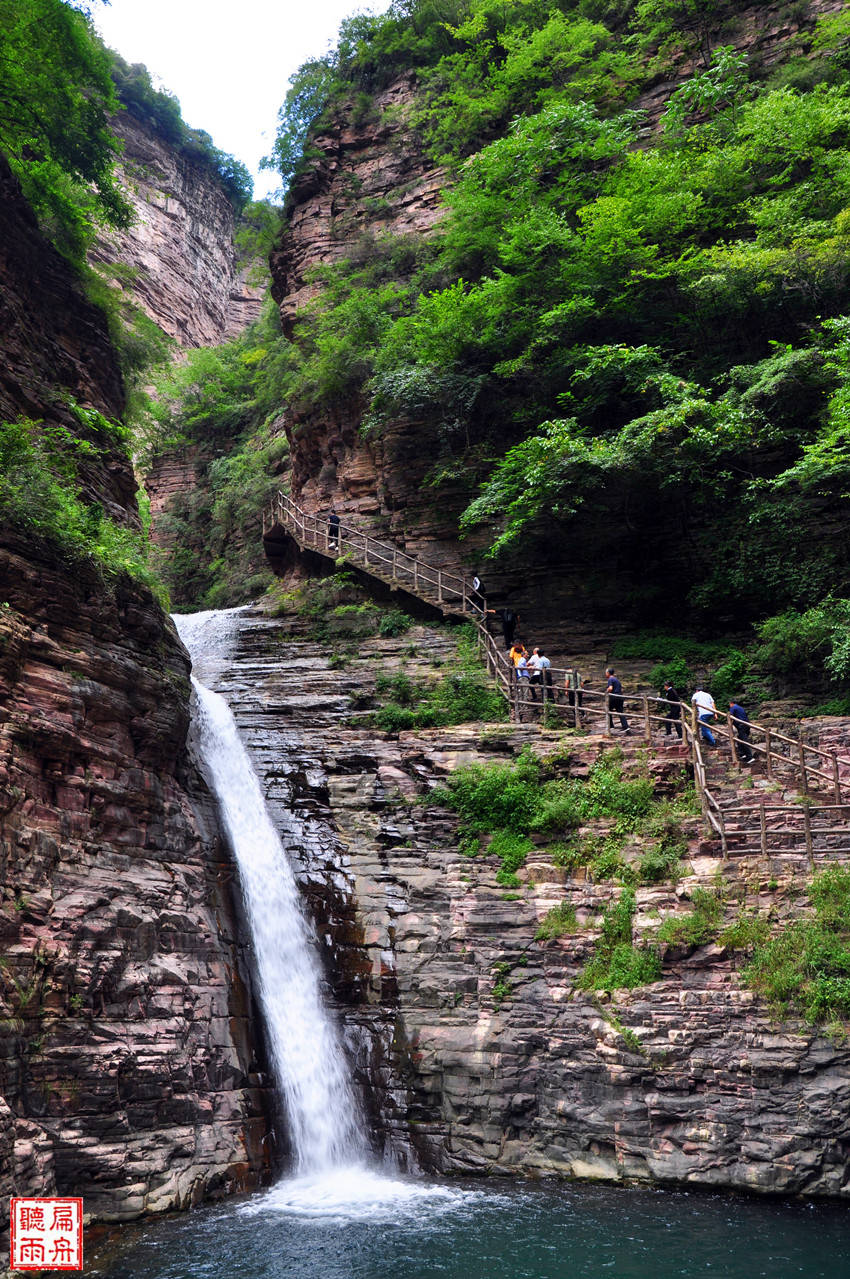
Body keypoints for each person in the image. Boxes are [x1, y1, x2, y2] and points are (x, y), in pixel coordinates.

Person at [605, 667, 630, 733]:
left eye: (606, 673)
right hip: (620, 697)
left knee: (607, 709)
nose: (605, 674)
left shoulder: (610, 679)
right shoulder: (616, 679)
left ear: (608, 673)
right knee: (620, 712)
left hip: (614, 697)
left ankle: (611, 726)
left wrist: (606, 691)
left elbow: (610, 688)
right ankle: (625, 727)